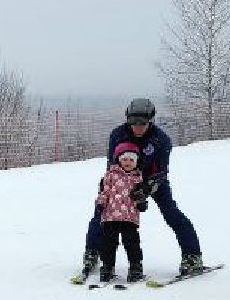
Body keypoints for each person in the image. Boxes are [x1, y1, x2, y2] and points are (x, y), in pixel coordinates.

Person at [80, 97, 204, 278]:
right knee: (102, 213)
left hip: (152, 180)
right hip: (121, 179)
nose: (137, 127)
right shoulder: (118, 134)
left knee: (171, 212)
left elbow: (161, 172)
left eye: (143, 123)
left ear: (151, 121)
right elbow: (112, 165)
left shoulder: (161, 140)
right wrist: (107, 188)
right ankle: (92, 252)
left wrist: (145, 189)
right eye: (133, 122)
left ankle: (192, 255)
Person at [90, 141, 147, 282]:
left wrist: (141, 202)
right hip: (110, 217)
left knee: (132, 243)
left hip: (129, 218)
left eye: (131, 160)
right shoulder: (110, 175)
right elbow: (105, 192)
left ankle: (135, 267)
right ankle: (107, 268)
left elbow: (140, 194)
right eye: (124, 159)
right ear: (119, 160)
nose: (128, 162)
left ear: (136, 162)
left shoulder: (138, 178)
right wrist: (100, 203)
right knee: (108, 244)